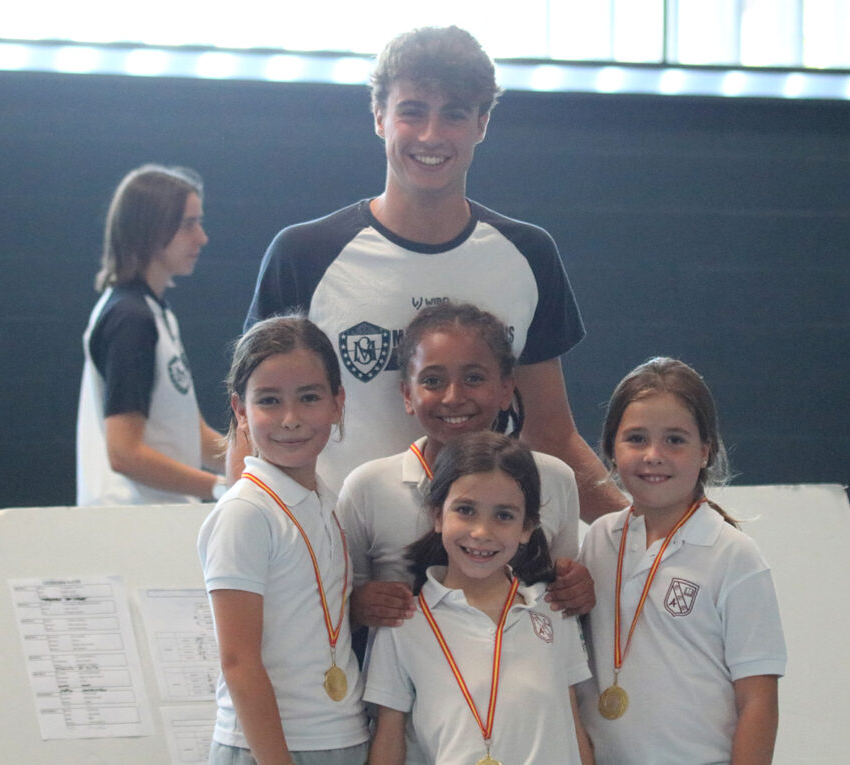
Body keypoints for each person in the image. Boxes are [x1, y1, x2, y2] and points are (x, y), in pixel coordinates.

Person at [240, 25, 625, 522]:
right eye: (412, 111)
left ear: (482, 124)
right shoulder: (304, 255)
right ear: (379, 117)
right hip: (346, 565)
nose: (431, 135)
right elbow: (252, 427)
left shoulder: (528, 254)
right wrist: (245, 550)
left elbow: (551, 434)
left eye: (455, 115)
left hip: (481, 555)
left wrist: (647, 529)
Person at [338, 302, 594, 634]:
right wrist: (357, 606)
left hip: (518, 677)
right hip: (405, 681)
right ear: (406, 394)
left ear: (505, 389)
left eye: (474, 378)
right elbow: (337, 602)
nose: (453, 397)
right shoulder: (367, 488)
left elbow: (561, 594)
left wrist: (579, 590)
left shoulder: (554, 478)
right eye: (432, 380)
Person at [578, 357, 786, 765]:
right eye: (636, 438)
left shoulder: (732, 556)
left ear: (705, 450)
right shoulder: (599, 540)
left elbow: (759, 701)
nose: (653, 455)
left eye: (675, 440)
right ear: (610, 449)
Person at [364, 431, 594, 765]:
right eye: (466, 510)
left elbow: (572, 721)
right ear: (438, 515)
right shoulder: (403, 621)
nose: (482, 532)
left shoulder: (552, 606)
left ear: (527, 527)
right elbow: (389, 737)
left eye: (503, 515)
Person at [197, 316, 368, 765]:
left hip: (342, 735)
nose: (290, 419)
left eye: (309, 397)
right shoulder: (246, 512)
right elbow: (238, 663)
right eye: (269, 401)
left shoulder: (327, 502)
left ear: (338, 403)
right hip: (269, 749)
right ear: (240, 411)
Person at [77, 164, 224, 506]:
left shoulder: (156, 314)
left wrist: (259, 468)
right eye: (189, 224)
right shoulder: (130, 319)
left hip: (156, 523)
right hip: (129, 527)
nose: (202, 237)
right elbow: (124, 453)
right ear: (152, 229)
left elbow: (195, 435)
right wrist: (219, 488)